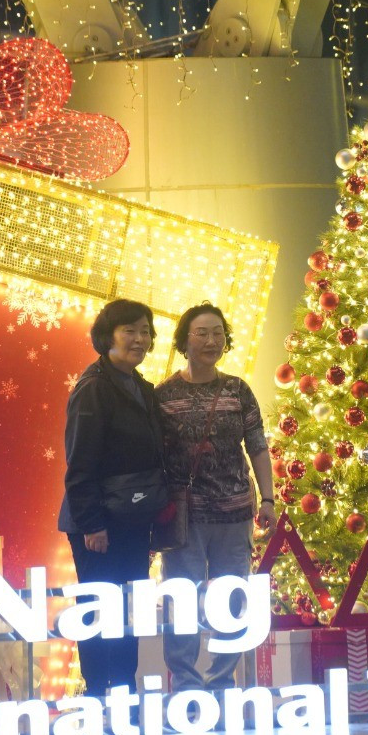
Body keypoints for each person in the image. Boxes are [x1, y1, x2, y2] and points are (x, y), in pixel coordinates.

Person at [154, 303, 271, 692]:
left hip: (235, 512)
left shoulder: (238, 389)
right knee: (182, 600)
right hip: (185, 518)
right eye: (202, 333)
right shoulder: (163, 394)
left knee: (232, 598)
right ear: (185, 340)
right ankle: (185, 683)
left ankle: (222, 682)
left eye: (218, 332)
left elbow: (257, 446)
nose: (211, 340)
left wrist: (267, 498)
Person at [59, 297, 166, 699]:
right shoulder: (93, 389)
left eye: (145, 331)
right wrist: (93, 525)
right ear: (108, 337)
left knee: (129, 612)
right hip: (99, 525)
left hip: (133, 520)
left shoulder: (139, 387)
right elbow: (80, 464)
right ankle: (97, 695)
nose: (139, 339)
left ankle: (125, 692)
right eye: (129, 331)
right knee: (100, 611)